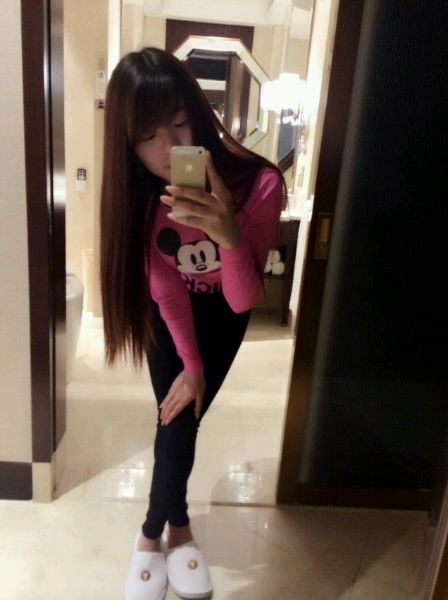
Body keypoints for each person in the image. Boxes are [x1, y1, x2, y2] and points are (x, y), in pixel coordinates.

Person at [100, 47, 285, 600]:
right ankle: (167, 529)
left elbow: (241, 300)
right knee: (176, 420)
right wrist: (191, 363)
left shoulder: (258, 185)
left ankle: (153, 533)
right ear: (127, 143)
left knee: (182, 420)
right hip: (170, 314)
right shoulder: (139, 197)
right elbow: (165, 288)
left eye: (180, 123)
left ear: (199, 114)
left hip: (224, 314)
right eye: (148, 135)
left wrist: (228, 233)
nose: (169, 148)